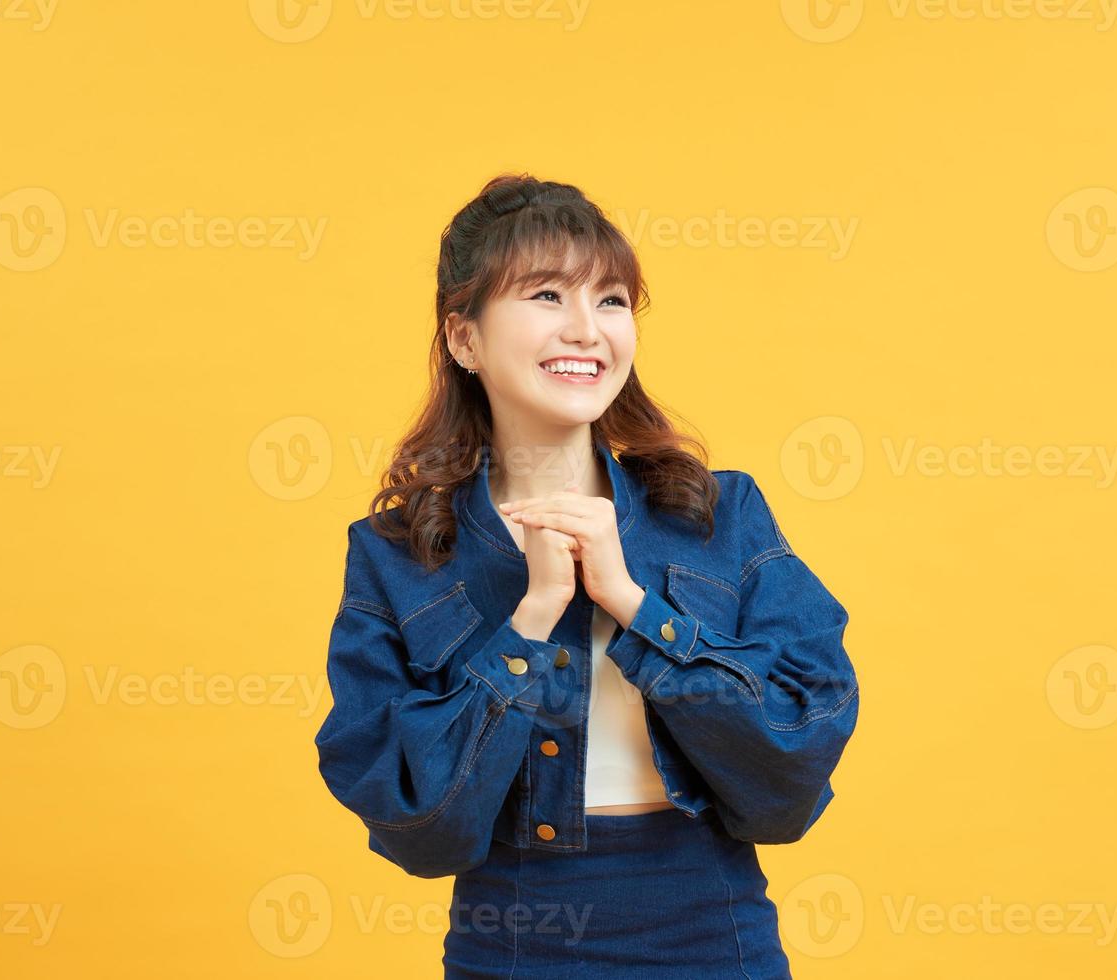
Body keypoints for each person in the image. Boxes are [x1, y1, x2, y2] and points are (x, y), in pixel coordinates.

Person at [314, 173, 859, 978]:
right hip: (508, 952)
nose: (586, 330)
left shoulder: (718, 515)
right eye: (544, 296)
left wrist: (637, 609)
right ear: (463, 340)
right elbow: (419, 828)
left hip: (713, 942)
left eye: (610, 300)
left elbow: (792, 770)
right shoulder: (397, 551)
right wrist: (532, 617)